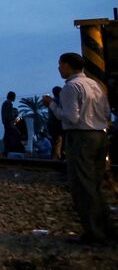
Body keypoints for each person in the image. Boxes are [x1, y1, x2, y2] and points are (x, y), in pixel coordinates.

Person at [43, 52, 113, 245]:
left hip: (80, 137)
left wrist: (52, 106)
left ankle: (94, 233)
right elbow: (107, 112)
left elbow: (71, 117)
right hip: (100, 135)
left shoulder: (71, 88)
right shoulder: (95, 85)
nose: (59, 68)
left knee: (83, 185)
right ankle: (106, 228)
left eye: (60, 65)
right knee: (95, 185)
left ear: (67, 65)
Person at [46, 86, 64, 160]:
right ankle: (57, 157)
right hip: (58, 124)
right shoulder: (60, 101)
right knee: (59, 141)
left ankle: (55, 157)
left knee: (55, 142)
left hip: (52, 124)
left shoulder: (52, 101)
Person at [1, 91, 16, 156]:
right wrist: (12, 123)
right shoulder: (8, 103)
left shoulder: (5, 103)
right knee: (9, 138)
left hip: (6, 123)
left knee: (7, 137)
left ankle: (6, 151)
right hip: (8, 123)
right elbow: (9, 115)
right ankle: (7, 152)